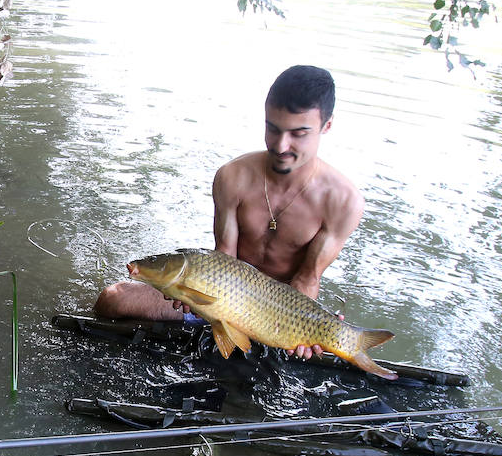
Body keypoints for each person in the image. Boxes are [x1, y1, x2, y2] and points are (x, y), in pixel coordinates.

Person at [94, 65, 363, 358]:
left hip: (277, 317)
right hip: (221, 300)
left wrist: (304, 331)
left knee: (294, 352)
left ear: (327, 125)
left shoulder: (343, 201)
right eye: (272, 128)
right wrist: (193, 295)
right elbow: (224, 258)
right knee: (112, 300)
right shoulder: (233, 177)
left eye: (298, 134)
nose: (281, 145)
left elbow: (307, 279)